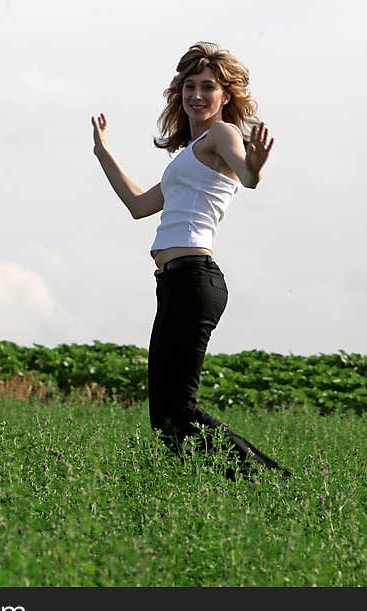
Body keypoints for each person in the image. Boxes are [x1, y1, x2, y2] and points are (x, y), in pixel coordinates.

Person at [91, 41, 289, 478]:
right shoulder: (189, 154)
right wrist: (104, 153)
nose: (196, 95)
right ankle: (236, 487)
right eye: (189, 87)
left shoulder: (223, 134)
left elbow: (248, 175)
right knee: (166, 418)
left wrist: (254, 167)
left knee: (178, 411)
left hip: (194, 279)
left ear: (226, 96)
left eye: (207, 88)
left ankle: (275, 485)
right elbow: (140, 205)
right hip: (176, 282)